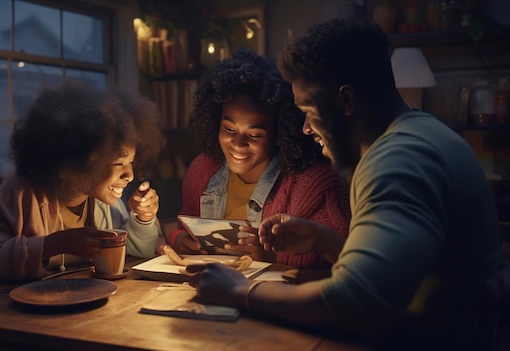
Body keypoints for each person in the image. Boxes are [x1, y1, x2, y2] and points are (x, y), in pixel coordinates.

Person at [186, 18, 504, 350]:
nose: (306, 128)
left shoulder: (398, 161)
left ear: (346, 100)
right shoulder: (423, 135)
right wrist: (324, 240)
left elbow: (357, 301)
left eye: (309, 111)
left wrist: (240, 291)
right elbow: (398, 274)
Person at [0, 80, 164, 286]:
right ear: (82, 158)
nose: (130, 175)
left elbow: (137, 252)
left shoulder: (104, 203)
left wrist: (143, 219)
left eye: (131, 163)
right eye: (119, 163)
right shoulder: (19, 193)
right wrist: (53, 245)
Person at [166, 47, 351, 268]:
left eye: (254, 134)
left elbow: (343, 258)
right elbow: (184, 224)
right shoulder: (202, 170)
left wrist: (273, 257)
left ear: (278, 134)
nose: (238, 143)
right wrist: (180, 240)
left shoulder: (314, 184)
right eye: (229, 129)